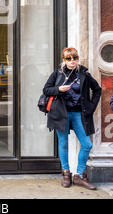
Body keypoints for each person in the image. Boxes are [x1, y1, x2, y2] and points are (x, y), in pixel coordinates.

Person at [43, 47, 101, 190]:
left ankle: (80, 175)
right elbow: (46, 89)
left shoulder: (84, 74)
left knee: (87, 144)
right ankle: (66, 173)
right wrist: (58, 89)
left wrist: (91, 107)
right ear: (64, 60)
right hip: (61, 114)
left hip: (78, 114)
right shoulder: (58, 73)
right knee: (63, 144)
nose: (72, 61)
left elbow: (97, 89)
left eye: (74, 58)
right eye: (69, 59)